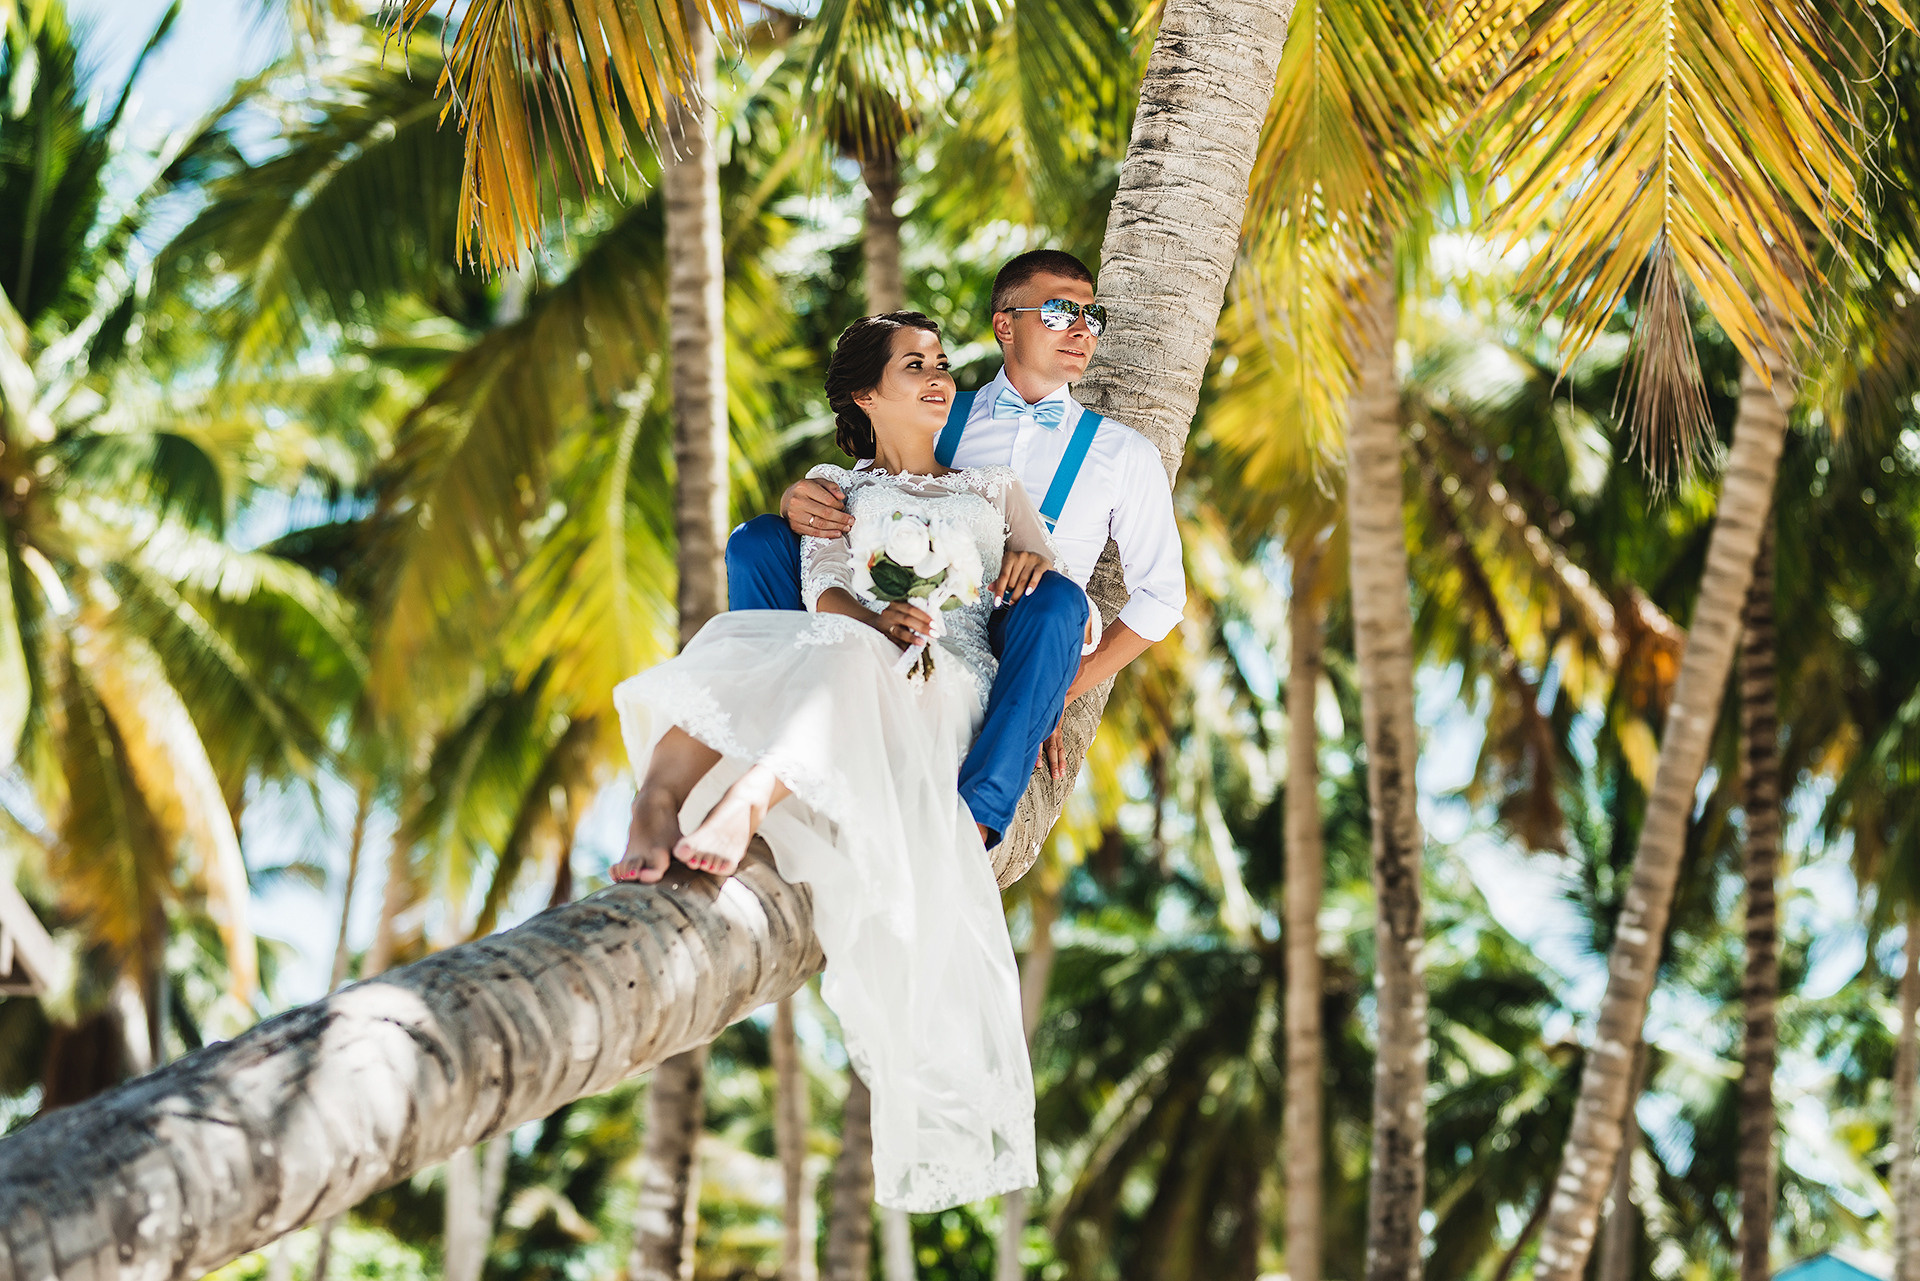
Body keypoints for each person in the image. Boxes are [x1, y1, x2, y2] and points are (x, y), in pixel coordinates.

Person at [608, 312, 1052, 1212]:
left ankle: (745, 799)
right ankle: (659, 801)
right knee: (764, 642)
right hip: (853, 642)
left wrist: (1034, 558)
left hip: (949, 679)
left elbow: (1040, 573)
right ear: (865, 393)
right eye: (913, 365)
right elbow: (821, 582)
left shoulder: (995, 488)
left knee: (825, 661)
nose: (937, 377)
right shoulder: (826, 485)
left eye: (941, 363)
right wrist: (869, 622)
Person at [726, 249, 1185, 851]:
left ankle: (975, 818)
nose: (1081, 328)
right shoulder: (941, 407)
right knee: (757, 540)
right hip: (918, 599)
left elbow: (1162, 597)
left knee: (1055, 601)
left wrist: (1051, 691)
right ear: (1005, 324)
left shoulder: (1125, 454)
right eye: (1059, 310)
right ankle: (767, 730)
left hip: (1029, 624)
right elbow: (874, 495)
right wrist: (798, 501)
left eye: (1091, 315)